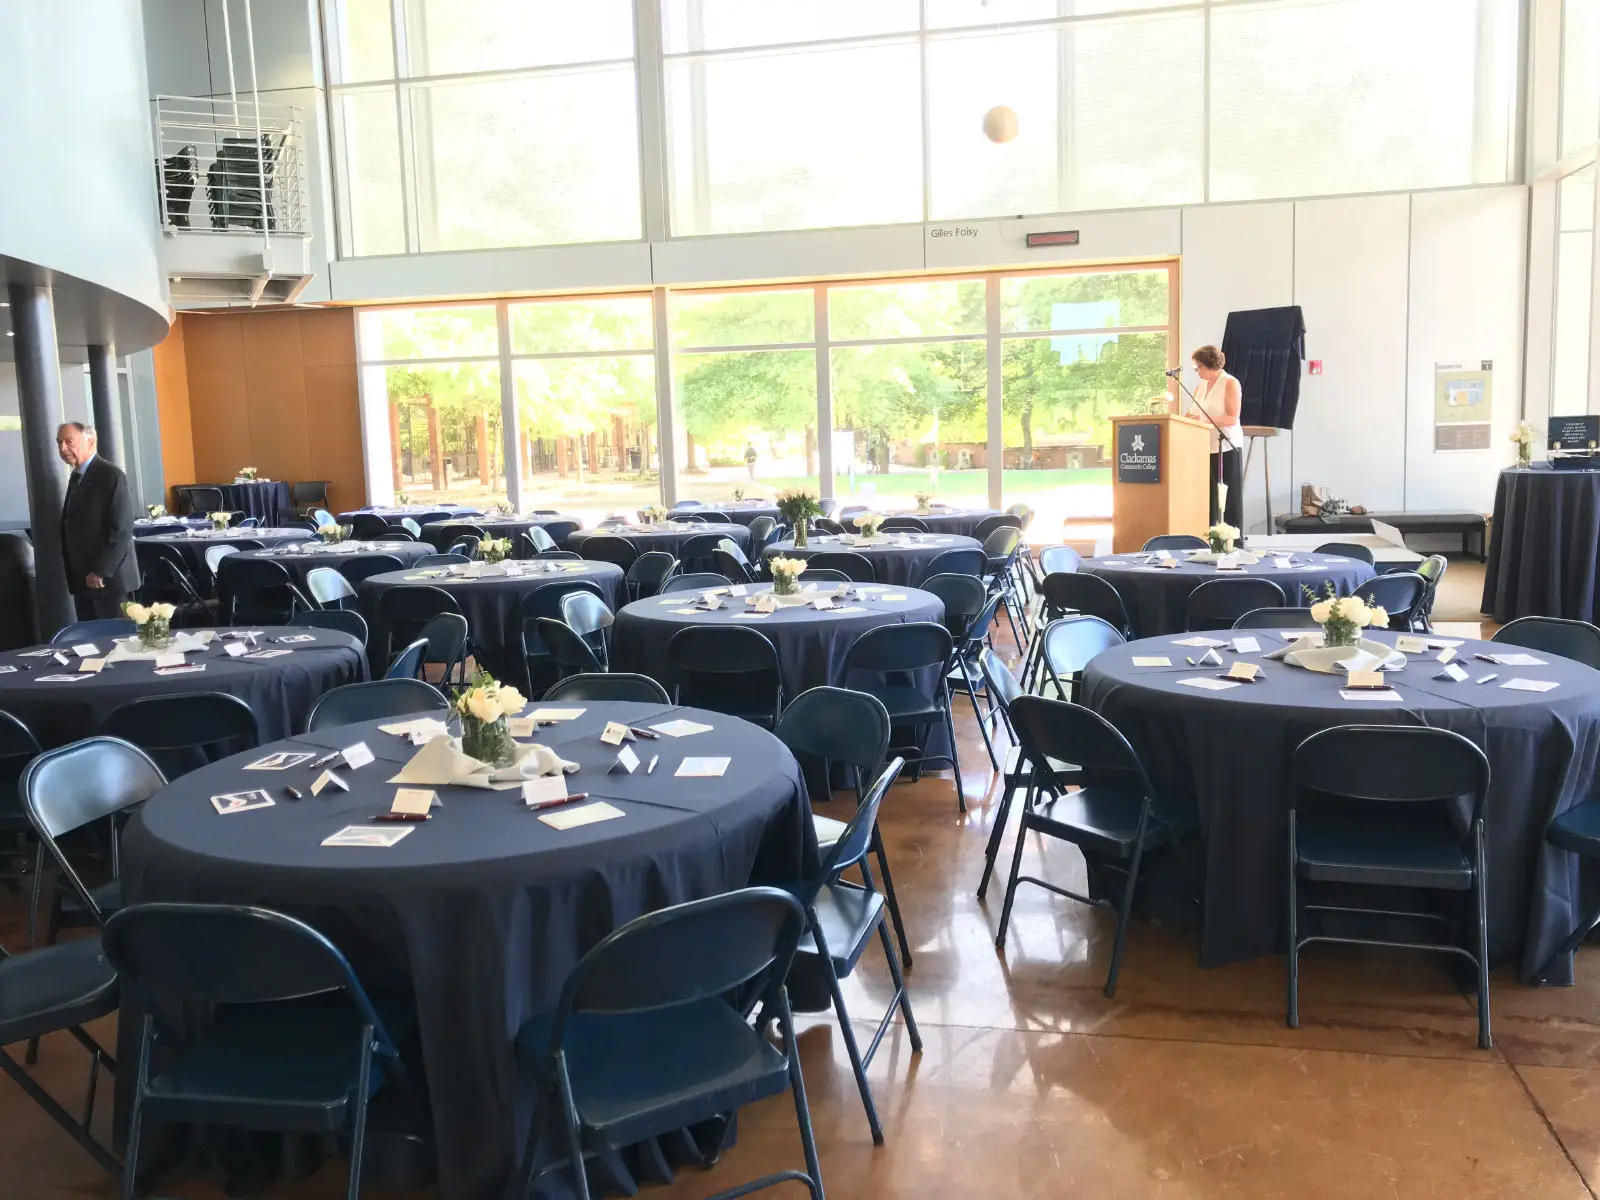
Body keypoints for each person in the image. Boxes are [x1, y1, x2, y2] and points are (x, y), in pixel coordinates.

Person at [57, 421, 139, 620]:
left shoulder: (111, 475)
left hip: (107, 580)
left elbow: (120, 528)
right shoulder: (77, 476)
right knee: (90, 644)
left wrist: (100, 571)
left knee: (115, 642)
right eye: (59, 443)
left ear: (91, 441)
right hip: (83, 579)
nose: (63, 448)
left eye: (69, 441)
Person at [1186, 345, 1244, 528]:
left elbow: (1232, 418)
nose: (1197, 371)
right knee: (1208, 499)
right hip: (1204, 448)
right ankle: (1209, 539)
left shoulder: (1230, 383)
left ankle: (1232, 542)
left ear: (1209, 365)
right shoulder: (1200, 387)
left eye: (1198, 367)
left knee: (1227, 499)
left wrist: (1202, 419)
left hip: (1226, 447)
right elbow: (1192, 414)